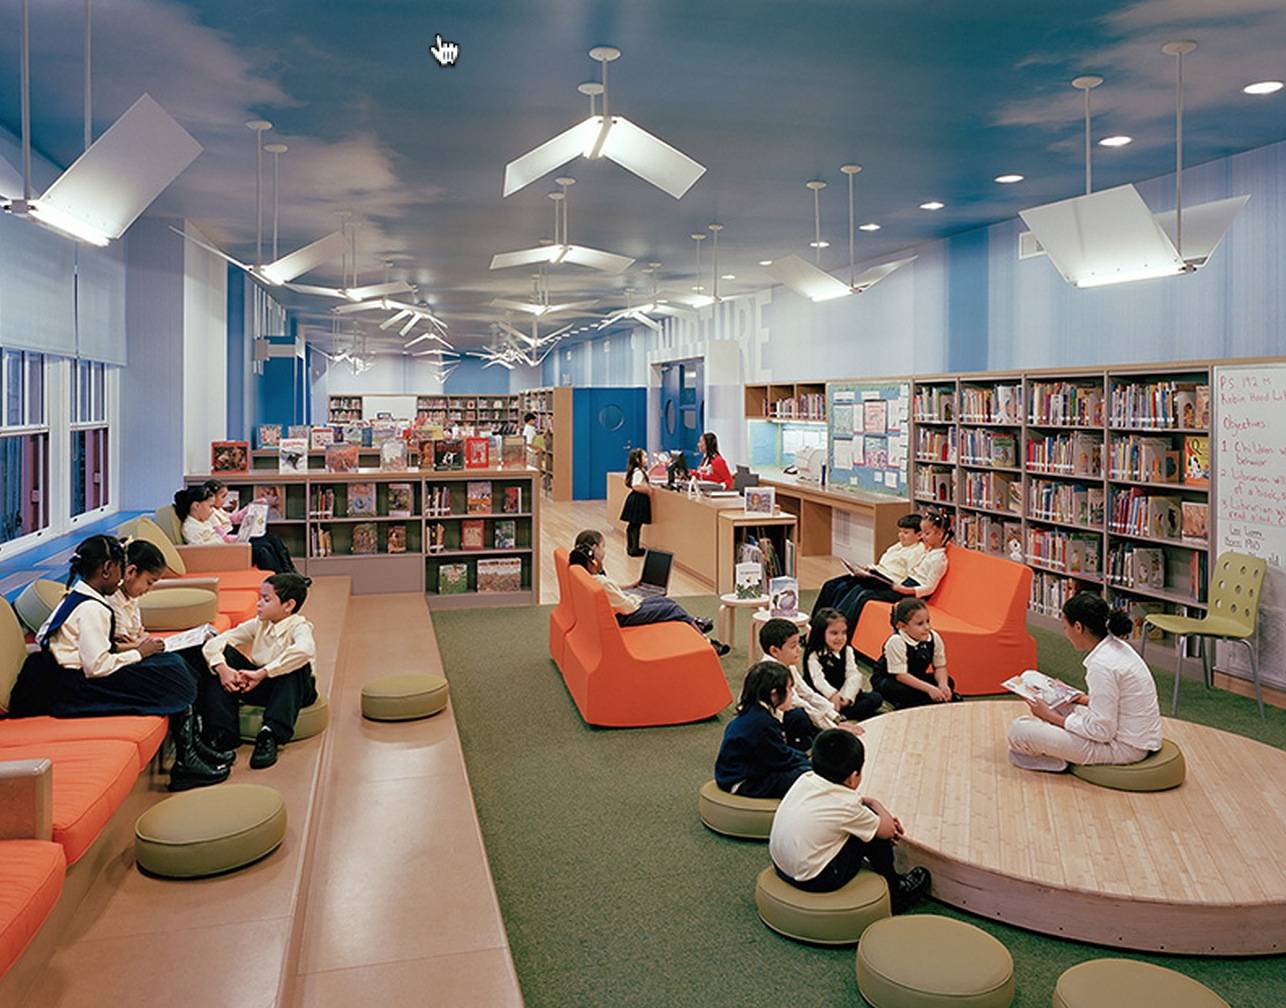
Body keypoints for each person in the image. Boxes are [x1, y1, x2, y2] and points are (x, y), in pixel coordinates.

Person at [7, 534, 230, 792]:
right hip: (72, 686)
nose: (123, 577)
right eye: (121, 569)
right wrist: (140, 654)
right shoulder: (93, 608)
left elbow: (51, 635)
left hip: (72, 675)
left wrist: (133, 650)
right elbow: (97, 667)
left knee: (171, 664)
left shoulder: (80, 595)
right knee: (170, 671)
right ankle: (186, 759)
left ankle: (191, 748)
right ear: (106, 570)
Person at [769, 729, 931, 910]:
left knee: (865, 822)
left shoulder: (805, 779)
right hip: (813, 880)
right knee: (875, 833)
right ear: (854, 777)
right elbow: (888, 830)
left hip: (780, 866)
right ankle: (896, 893)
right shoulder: (847, 805)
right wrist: (875, 804)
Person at [1007, 592, 1162, 772]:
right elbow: (1119, 701)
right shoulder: (1116, 647)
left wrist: (1051, 717)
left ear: (1078, 627)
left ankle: (1059, 760)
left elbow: (1102, 732)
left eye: (1065, 628)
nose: (1066, 634)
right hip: (1125, 731)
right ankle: (1058, 741)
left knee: (1018, 731)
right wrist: (1079, 698)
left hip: (1122, 748)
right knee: (1030, 678)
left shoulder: (1102, 666)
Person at [198, 573, 319, 770]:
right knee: (220, 656)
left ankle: (270, 734)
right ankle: (222, 734)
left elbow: (305, 650)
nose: (259, 604)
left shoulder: (300, 626)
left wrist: (263, 673)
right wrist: (223, 669)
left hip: (295, 689)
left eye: (266, 599)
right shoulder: (259, 624)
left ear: (288, 605)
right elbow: (216, 642)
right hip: (261, 685)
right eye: (260, 598)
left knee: (296, 665)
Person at [567, 530, 730, 655]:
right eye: (603, 547)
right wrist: (637, 597)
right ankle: (707, 643)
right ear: (594, 550)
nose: (604, 551)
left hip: (619, 611)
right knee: (672, 608)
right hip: (625, 616)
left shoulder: (585, 574)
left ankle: (694, 623)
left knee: (668, 603)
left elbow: (612, 594)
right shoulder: (601, 581)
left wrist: (631, 588)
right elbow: (627, 607)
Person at [837, 509, 952, 634]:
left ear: (939, 534)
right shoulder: (929, 552)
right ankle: (837, 622)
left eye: (927, 533)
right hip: (906, 585)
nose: (923, 537)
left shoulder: (939, 559)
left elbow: (930, 587)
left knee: (865, 595)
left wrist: (906, 590)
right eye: (923, 533)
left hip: (912, 591)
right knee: (861, 588)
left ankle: (845, 631)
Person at [713, 661, 811, 798]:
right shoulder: (762, 723)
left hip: (746, 770)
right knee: (807, 776)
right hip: (744, 781)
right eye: (789, 689)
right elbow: (780, 758)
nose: (791, 694)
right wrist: (807, 760)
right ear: (774, 693)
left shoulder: (755, 711)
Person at [813, 513, 923, 616]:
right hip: (876, 574)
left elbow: (908, 577)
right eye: (900, 531)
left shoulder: (918, 551)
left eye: (906, 533)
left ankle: (837, 622)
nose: (901, 535)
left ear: (919, 535)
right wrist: (870, 568)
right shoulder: (898, 546)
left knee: (851, 589)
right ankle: (816, 623)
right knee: (831, 584)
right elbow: (884, 564)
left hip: (888, 581)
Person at [174, 484, 293, 574]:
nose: (212, 511)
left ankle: (286, 575)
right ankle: (280, 581)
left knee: (266, 544)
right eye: (210, 507)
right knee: (262, 550)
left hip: (226, 550)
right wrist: (232, 542)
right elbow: (201, 552)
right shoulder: (191, 527)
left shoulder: (202, 521)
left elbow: (219, 537)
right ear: (196, 506)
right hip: (223, 555)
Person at [871, 598, 958, 709]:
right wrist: (930, 689)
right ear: (902, 626)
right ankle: (922, 701)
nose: (927, 627)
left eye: (928, 621)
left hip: (915, 676)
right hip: (891, 679)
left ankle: (927, 700)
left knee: (949, 681)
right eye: (920, 624)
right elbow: (901, 676)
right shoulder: (896, 641)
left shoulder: (934, 638)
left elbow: (939, 666)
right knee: (902, 690)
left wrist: (943, 685)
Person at [802, 608, 884, 722]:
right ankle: (836, 714)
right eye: (834, 633)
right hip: (822, 696)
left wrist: (846, 697)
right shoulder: (814, 654)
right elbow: (818, 680)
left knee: (875, 697)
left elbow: (853, 675)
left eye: (844, 633)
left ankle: (842, 714)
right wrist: (832, 695)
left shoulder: (847, 650)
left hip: (842, 695)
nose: (840, 638)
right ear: (821, 633)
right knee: (812, 708)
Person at [758, 618, 826, 749]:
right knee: (799, 716)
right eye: (793, 646)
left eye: (799, 644)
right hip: (770, 721)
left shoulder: (788, 666)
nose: (799, 650)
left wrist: (835, 717)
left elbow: (807, 694)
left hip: (783, 714)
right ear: (774, 651)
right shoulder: (772, 674)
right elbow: (798, 703)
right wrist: (831, 727)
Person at [619, 448, 652, 558]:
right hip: (639, 500)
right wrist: (647, 490)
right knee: (636, 525)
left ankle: (631, 547)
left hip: (634, 499)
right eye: (645, 457)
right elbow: (636, 485)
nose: (647, 459)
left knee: (633, 525)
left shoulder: (638, 471)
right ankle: (634, 548)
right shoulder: (638, 472)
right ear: (638, 460)